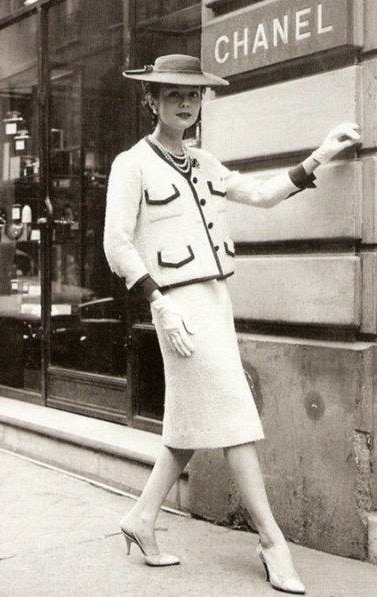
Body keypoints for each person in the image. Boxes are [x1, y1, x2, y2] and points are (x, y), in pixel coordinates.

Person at [103, 54, 360, 594]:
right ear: (151, 100)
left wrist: (321, 154)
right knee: (236, 417)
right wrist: (159, 302)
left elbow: (263, 194)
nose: (185, 103)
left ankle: (142, 519)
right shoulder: (133, 164)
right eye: (173, 94)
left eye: (193, 95)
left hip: (216, 303)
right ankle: (272, 541)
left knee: (191, 425)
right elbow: (117, 244)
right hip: (178, 307)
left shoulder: (204, 162)